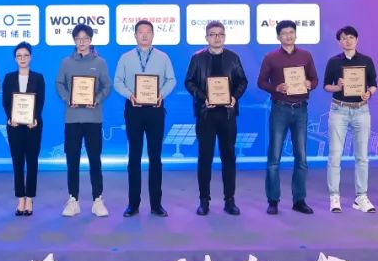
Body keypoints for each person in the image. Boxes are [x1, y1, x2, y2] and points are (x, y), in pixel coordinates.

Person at [184, 20, 247, 216]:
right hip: (206, 114)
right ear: (206, 37)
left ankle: (230, 200)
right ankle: (204, 200)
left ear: (224, 37)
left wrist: (234, 97)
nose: (217, 38)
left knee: (229, 157)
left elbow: (242, 81)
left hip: (227, 114)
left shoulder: (233, 58)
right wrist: (203, 98)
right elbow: (189, 82)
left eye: (220, 34)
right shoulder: (197, 58)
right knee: (205, 158)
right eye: (213, 34)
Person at [113, 19, 176, 217]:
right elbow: (117, 81)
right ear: (135, 35)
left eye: (148, 31)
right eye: (141, 32)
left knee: (155, 157)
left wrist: (161, 95)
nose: (145, 35)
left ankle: (156, 204)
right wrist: (129, 94)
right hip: (134, 110)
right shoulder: (126, 58)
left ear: (153, 35)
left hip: (155, 110)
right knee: (134, 156)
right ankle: (133, 204)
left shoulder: (163, 57)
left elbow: (171, 80)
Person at [257, 19, 318, 215]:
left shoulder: (306, 56)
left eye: (291, 32)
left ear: (296, 34)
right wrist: (276, 87)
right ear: (278, 37)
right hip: (280, 109)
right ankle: (273, 200)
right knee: (274, 157)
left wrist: (309, 84)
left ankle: (299, 200)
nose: (288, 36)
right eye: (284, 33)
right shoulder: (271, 57)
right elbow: (261, 82)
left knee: (301, 157)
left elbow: (315, 79)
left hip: (301, 110)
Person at [56, 23, 112, 217]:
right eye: (78, 39)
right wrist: (67, 98)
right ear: (74, 40)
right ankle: (73, 200)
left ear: (90, 40)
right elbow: (59, 84)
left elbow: (107, 86)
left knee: (95, 159)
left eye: (85, 39)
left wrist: (96, 100)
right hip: (72, 119)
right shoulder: (66, 62)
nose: (82, 42)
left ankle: (98, 200)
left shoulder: (100, 62)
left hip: (93, 118)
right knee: (72, 160)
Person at [322, 26, 378, 213]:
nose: (348, 41)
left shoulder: (366, 61)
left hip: (361, 110)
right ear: (339, 42)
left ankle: (361, 197)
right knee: (335, 155)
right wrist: (338, 87)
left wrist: (369, 93)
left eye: (351, 37)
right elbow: (326, 86)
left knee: (362, 156)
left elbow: (373, 85)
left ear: (357, 39)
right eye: (344, 38)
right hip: (339, 110)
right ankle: (334, 196)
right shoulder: (333, 62)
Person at [2, 42, 45, 216]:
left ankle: (30, 198)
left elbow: (40, 101)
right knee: (17, 162)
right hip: (14, 126)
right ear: (15, 59)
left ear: (30, 57)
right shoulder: (9, 77)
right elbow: (6, 101)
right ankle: (20, 198)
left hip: (33, 125)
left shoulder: (38, 77)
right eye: (19, 56)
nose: (22, 59)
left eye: (25, 55)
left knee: (32, 162)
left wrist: (35, 118)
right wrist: (10, 117)